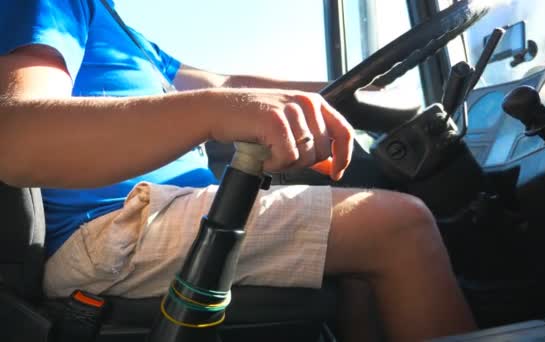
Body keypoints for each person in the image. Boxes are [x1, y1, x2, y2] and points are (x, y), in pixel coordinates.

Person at [0, 0, 476, 340]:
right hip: (110, 227)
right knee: (399, 225)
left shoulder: (126, 36)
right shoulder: (46, 4)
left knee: (358, 241)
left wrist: (354, 94)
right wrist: (214, 112)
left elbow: (225, 83)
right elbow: (15, 137)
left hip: (153, 215)